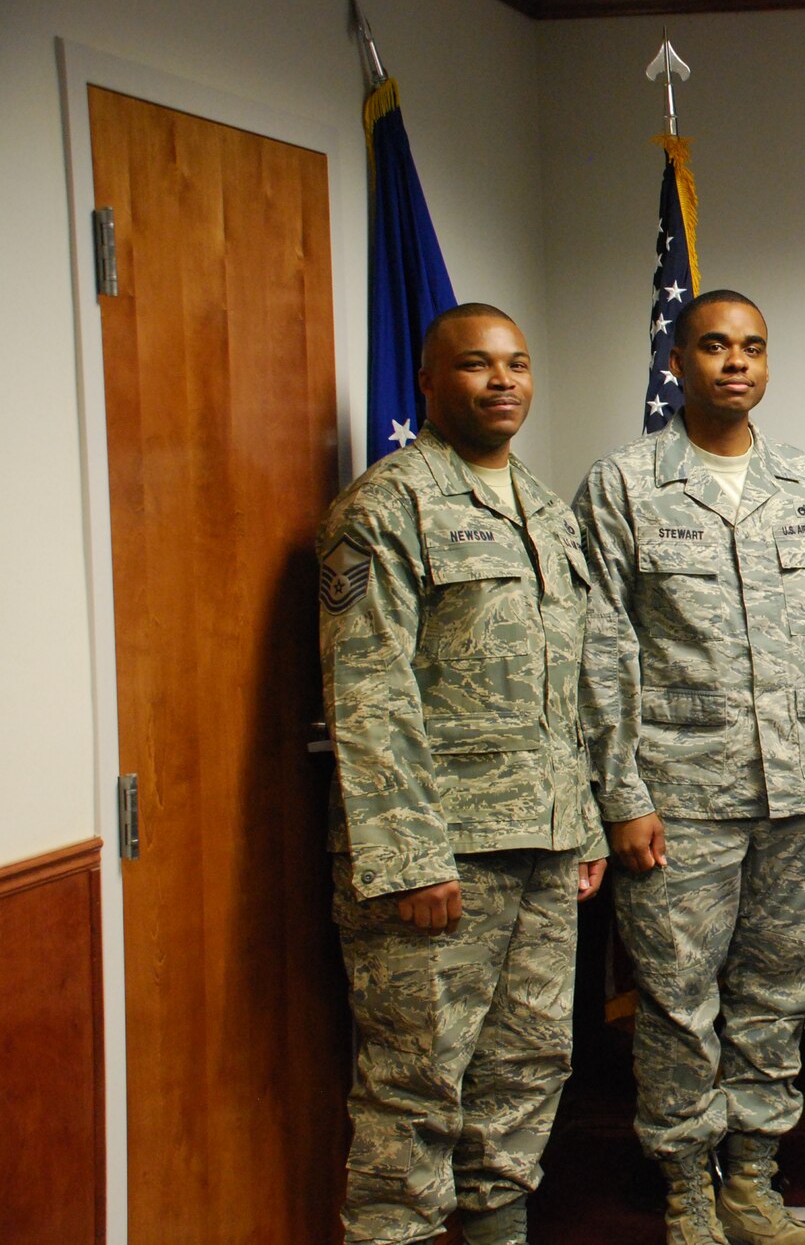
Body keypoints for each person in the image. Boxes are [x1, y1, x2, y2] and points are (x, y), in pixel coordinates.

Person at [573, 289, 805, 1245]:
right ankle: (687, 1190)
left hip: (796, 793)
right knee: (676, 998)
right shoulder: (623, 484)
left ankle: (752, 1181)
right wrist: (622, 794)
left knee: (782, 992)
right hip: (680, 795)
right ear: (677, 361)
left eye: (752, 347)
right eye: (713, 345)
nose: (735, 362)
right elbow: (602, 647)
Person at [318, 302, 609, 1245]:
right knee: (415, 1085)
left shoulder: (545, 512)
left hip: (543, 843)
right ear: (429, 382)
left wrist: (585, 823)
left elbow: (567, 685)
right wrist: (411, 860)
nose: (502, 381)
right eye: (477, 364)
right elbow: (369, 691)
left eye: (516, 363)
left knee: (527, 1068)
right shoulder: (387, 506)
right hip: (442, 855)